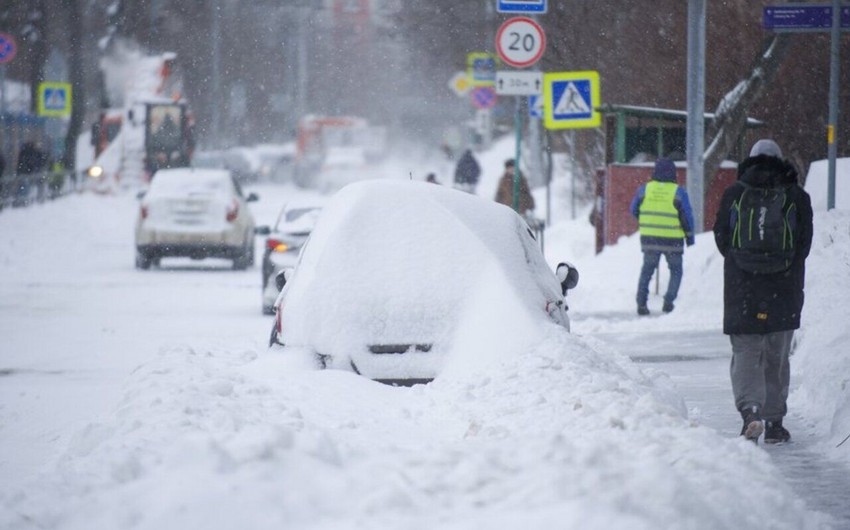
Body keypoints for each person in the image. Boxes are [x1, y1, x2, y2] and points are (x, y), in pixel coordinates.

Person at [713, 139, 813, 444]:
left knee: (745, 353)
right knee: (776, 355)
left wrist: (743, 263)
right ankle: (775, 423)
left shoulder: (734, 193)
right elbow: (803, 244)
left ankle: (751, 412)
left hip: (742, 287)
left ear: (751, 160)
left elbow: (722, 238)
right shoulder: (796, 196)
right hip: (783, 288)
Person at [629, 157, 695, 315]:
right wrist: (689, 237)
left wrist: (645, 221)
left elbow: (633, 209)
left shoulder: (644, 190)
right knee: (676, 271)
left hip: (649, 239)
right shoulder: (678, 192)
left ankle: (641, 304)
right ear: (673, 173)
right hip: (673, 240)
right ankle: (668, 302)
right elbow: (687, 217)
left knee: (647, 270)